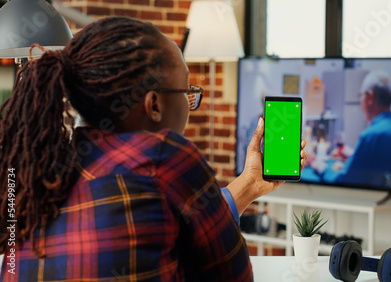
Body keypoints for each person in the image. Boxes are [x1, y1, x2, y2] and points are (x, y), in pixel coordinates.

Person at [0, 17, 306, 281]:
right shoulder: (163, 154)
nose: (190, 103)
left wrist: (249, 185)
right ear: (155, 105)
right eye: (187, 91)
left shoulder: (40, 172)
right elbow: (233, 276)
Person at [325, 70, 391, 188]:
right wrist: (354, 155)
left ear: (370, 97)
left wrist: (319, 166)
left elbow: (342, 179)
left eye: (361, 95)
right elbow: (382, 163)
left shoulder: (371, 135)